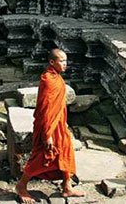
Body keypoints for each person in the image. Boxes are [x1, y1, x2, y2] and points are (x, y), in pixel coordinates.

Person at [16, 48, 84, 202]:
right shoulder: (48, 80)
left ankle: (67, 187)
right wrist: (47, 135)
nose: (65, 64)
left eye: (66, 60)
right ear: (52, 62)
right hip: (49, 127)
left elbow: (57, 106)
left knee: (66, 151)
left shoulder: (57, 77)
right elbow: (47, 110)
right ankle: (21, 185)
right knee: (42, 156)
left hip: (59, 124)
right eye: (61, 61)